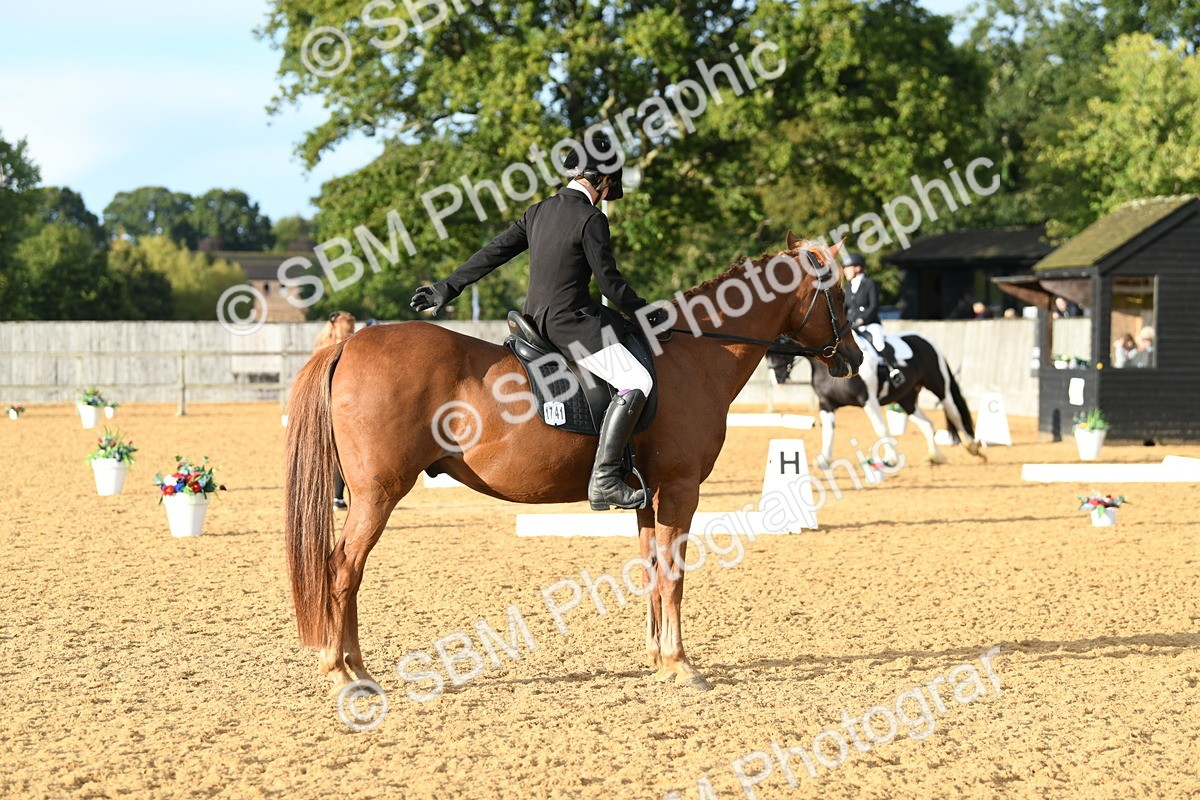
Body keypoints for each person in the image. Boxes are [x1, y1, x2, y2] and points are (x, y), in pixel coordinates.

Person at [410, 138, 667, 511]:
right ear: (605, 179)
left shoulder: (538, 211)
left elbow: (493, 252)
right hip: (570, 327)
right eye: (611, 185)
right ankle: (606, 478)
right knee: (636, 381)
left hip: (533, 323)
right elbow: (610, 283)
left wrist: (446, 288)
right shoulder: (591, 218)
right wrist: (642, 310)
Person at [313, 311, 357, 509]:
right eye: (350, 328)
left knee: (327, 450)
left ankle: (331, 496)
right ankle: (336, 496)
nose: (352, 331)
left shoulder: (320, 347)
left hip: (323, 402)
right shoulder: (345, 348)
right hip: (337, 401)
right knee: (339, 450)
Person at [842, 253, 903, 385]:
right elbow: (844, 308)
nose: (845, 270)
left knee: (878, 342)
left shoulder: (870, 283)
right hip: (852, 325)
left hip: (870, 324)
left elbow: (874, 306)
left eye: (848, 267)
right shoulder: (847, 287)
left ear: (858, 268)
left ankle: (893, 370)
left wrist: (862, 320)